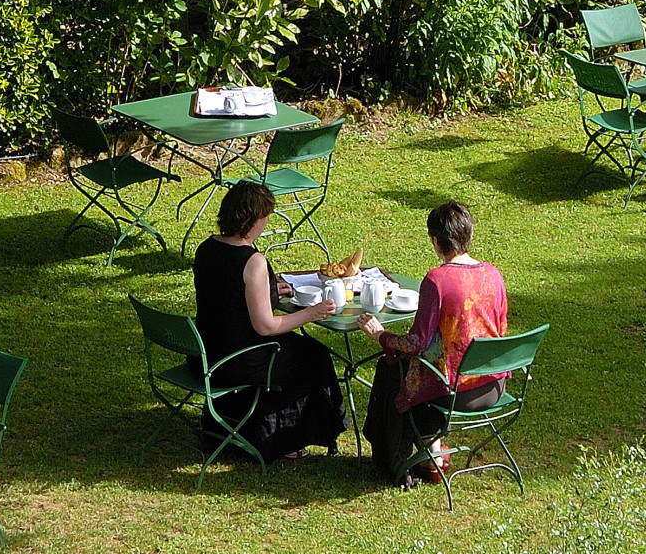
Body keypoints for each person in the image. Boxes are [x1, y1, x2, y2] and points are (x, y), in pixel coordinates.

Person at [192, 180, 347, 461]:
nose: (265, 223)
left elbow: (227, 293)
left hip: (207, 351)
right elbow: (265, 326)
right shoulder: (252, 261)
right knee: (314, 357)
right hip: (240, 359)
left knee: (304, 353)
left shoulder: (207, 249)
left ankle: (240, 424)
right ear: (251, 219)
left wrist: (267, 288)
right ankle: (283, 438)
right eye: (264, 218)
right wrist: (312, 313)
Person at [358, 200, 509, 487]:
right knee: (407, 368)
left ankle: (405, 460)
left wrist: (381, 335)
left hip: (458, 392)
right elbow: (499, 328)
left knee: (393, 369)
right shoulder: (493, 274)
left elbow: (416, 342)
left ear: (436, 240)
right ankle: (433, 453)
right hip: (494, 385)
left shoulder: (437, 280)